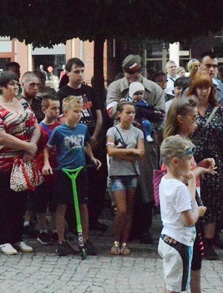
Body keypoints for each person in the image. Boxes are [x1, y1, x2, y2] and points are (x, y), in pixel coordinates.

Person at [162, 97, 220, 293]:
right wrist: (200, 172)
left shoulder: (182, 140)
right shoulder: (176, 144)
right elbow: (183, 177)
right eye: (193, 118)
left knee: (194, 253)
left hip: (189, 201)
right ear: (180, 119)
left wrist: (201, 165)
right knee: (186, 257)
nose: (197, 122)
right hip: (184, 209)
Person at [105, 54, 165, 241]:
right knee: (123, 182)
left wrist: (131, 110)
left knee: (146, 184)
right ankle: (125, 230)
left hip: (146, 142)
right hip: (121, 143)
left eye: (136, 75)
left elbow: (160, 115)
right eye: (129, 75)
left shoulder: (153, 88)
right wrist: (142, 111)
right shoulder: (116, 87)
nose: (132, 79)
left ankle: (144, 227)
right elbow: (112, 111)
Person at [158, 135, 207, 293]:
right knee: (174, 290)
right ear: (176, 161)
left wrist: (191, 182)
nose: (192, 162)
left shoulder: (168, 181)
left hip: (167, 239)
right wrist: (199, 211)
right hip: (179, 244)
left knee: (169, 286)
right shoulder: (177, 188)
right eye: (189, 158)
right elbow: (188, 219)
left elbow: (186, 200)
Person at [0, 70, 39, 256]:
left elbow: (35, 126)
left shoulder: (23, 103)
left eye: (17, 83)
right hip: (3, 163)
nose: (16, 87)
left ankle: (17, 238)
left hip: (23, 160)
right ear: (1, 87)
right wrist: (25, 145)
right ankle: (4, 240)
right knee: (6, 201)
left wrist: (30, 147)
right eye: (11, 84)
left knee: (21, 201)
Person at [43, 95, 102, 256]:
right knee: (62, 206)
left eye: (80, 111)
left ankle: (85, 240)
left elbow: (86, 144)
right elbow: (47, 148)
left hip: (80, 171)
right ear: (66, 112)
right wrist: (47, 164)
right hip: (64, 172)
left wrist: (92, 157)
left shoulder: (82, 129)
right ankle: (61, 241)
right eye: (76, 111)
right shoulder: (59, 130)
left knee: (83, 205)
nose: (79, 115)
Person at [187, 72, 223, 260]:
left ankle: (208, 242)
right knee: (192, 200)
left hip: (214, 161)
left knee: (212, 203)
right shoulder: (187, 110)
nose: (204, 91)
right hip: (191, 161)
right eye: (200, 87)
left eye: (207, 87)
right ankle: (193, 239)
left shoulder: (219, 111)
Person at [59, 58, 106, 232]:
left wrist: (94, 136)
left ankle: (93, 219)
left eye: (82, 71)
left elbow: (99, 115)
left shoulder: (90, 91)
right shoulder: (63, 93)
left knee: (97, 182)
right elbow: (63, 120)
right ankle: (73, 223)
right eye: (76, 71)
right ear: (68, 73)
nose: (80, 75)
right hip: (75, 144)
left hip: (93, 140)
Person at [106, 100, 145, 256]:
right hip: (117, 175)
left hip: (132, 174)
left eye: (132, 113)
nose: (130, 115)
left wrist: (122, 152)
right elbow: (111, 151)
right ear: (119, 114)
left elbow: (141, 153)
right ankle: (116, 240)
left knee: (129, 210)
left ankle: (124, 242)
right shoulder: (112, 131)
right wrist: (131, 152)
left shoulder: (138, 132)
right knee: (121, 210)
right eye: (127, 112)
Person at [31, 95, 59, 245]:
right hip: (41, 169)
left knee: (55, 202)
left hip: (57, 169)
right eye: (53, 108)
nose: (56, 111)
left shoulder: (60, 126)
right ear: (44, 110)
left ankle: (56, 229)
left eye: (58, 108)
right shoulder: (39, 128)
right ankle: (42, 230)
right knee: (41, 202)